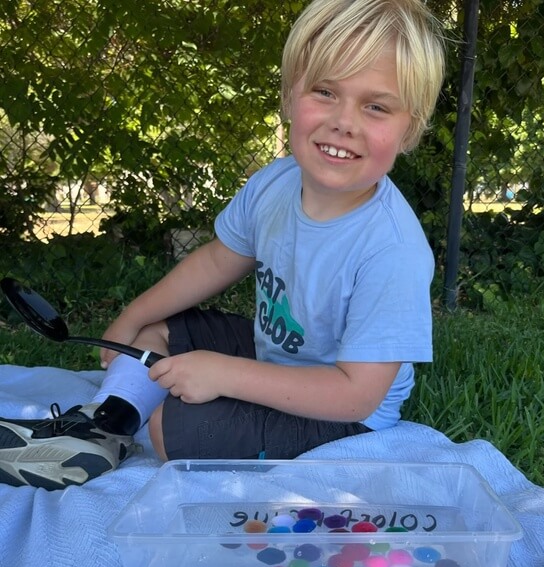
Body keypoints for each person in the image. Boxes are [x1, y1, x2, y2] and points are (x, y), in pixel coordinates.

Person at [0, 0, 446, 490]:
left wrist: (223, 375)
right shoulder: (276, 182)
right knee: (154, 332)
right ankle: (105, 428)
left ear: (410, 129)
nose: (344, 121)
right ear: (289, 96)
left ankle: (130, 423)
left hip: (342, 411)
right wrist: (131, 315)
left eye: (376, 106)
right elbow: (216, 260)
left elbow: (356, 395)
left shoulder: (392, 250)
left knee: (171, 429)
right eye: (325, 91)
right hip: (276, 351)